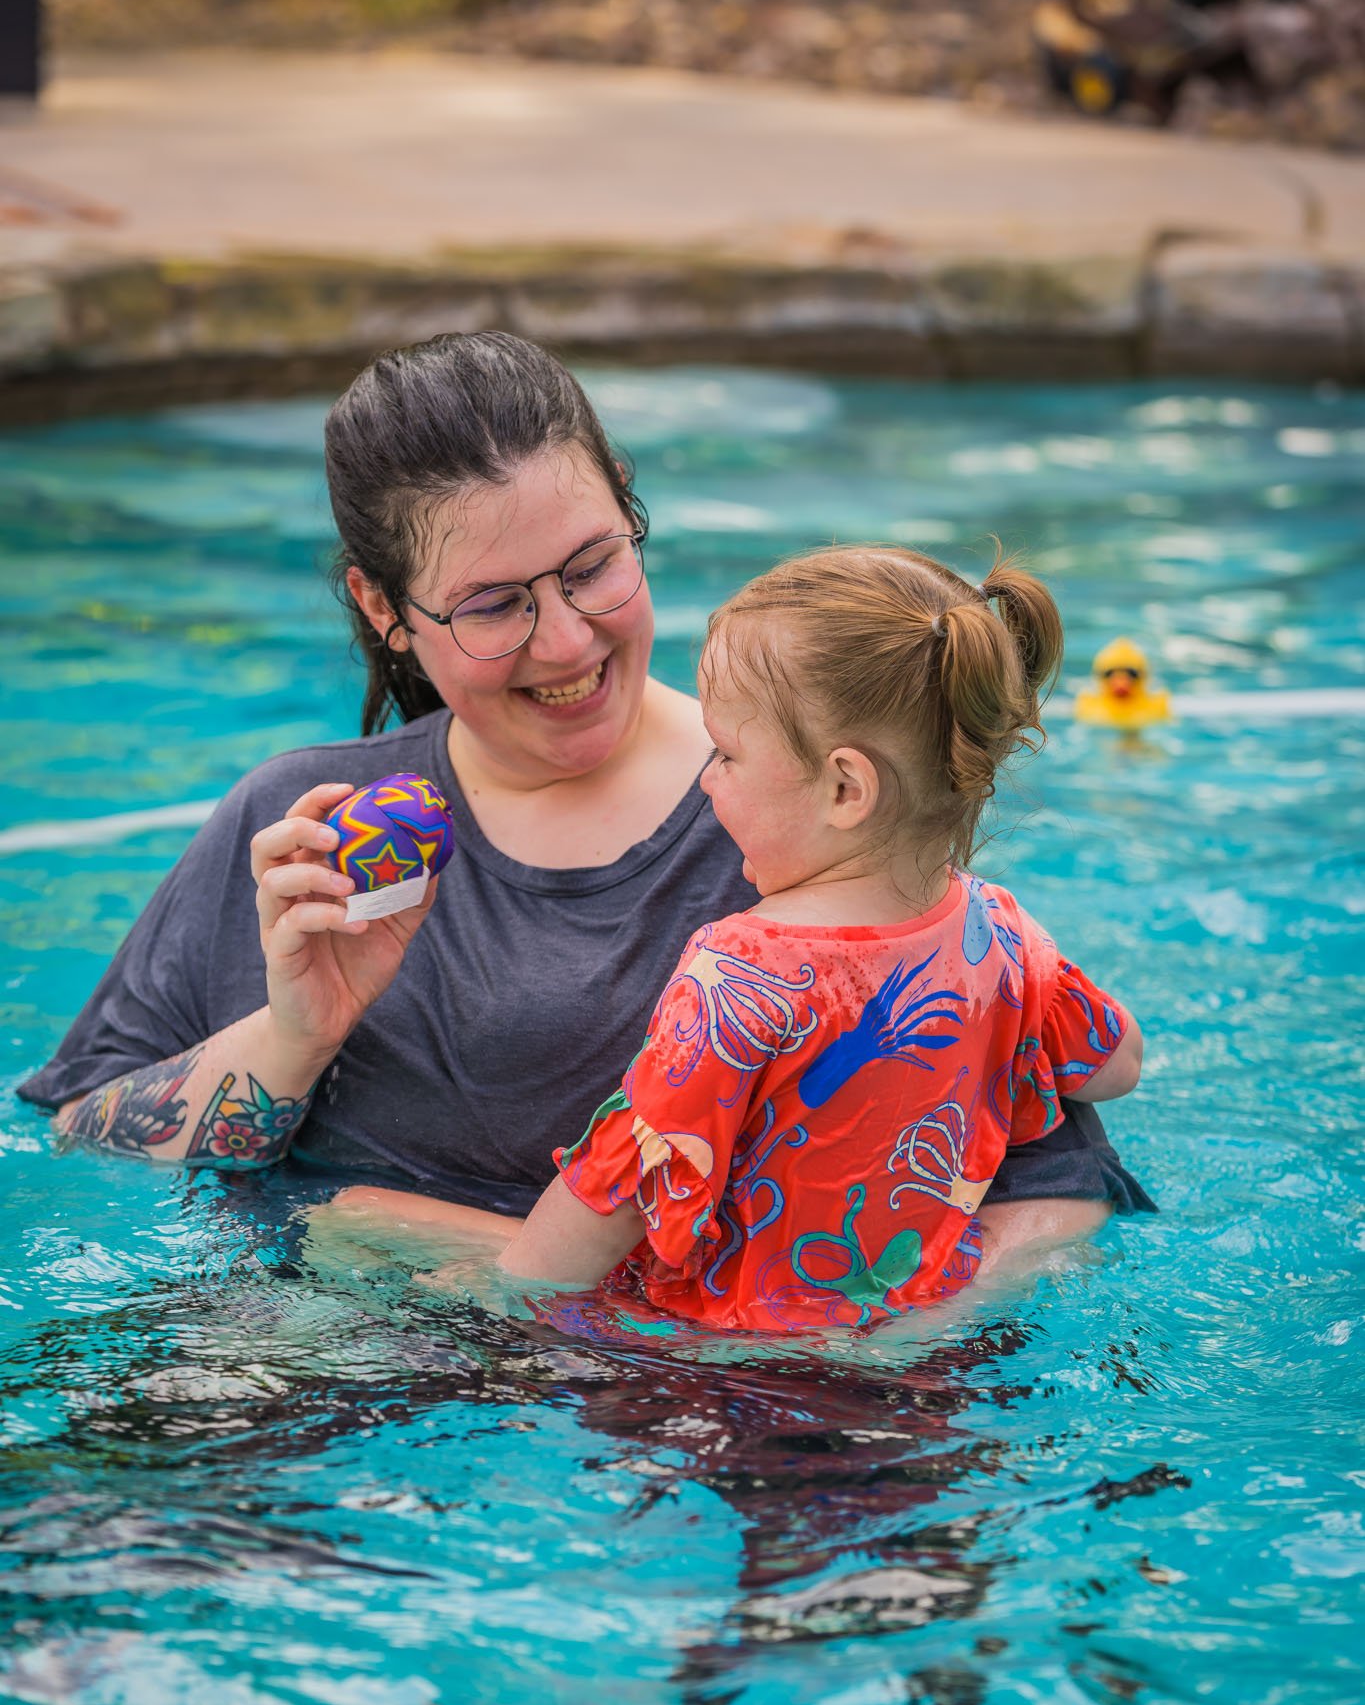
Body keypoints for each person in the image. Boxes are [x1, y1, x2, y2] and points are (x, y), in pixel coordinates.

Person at [18, 331, 1150, 1260]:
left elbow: (1051, 1187)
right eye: (495, 602)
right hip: (325, 1379)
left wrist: (803, 1360)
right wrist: (293, 1033)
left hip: (707, 1412)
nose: (565, 639)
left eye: (593, 566)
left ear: (633, 516)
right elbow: (77, 1139)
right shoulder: (302, 833)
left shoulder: (805, 824)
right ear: (383, 605)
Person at [338, 544, 1150, 1330]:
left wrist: (503, 1296)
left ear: (844, 787)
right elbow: (1115, 1066)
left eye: (725, 753)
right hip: (908, 1321)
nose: (704, 777)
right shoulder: (999, 931)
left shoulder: (740, 970)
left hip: (732, 1350)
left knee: (352, 1216)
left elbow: (623, 1183)